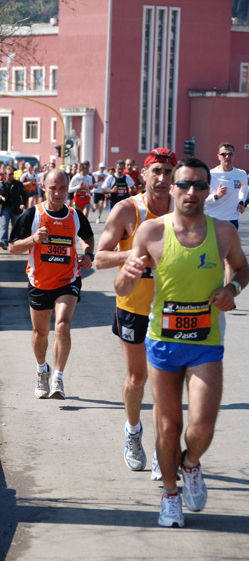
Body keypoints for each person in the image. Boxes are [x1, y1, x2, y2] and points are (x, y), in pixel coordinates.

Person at [114, 156, 249, 528]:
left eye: (200, 186)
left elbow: (242, 267)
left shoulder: (223, 232)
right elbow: (121, 287)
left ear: (209, 190)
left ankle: (190, 464)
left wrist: (232, 287)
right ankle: (170, 495)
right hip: (163, 342)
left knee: (202, 427)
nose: (192, 192)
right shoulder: (151, 232)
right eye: (185, 184)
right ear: (171, 188)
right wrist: (126, 275)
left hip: (205, 341)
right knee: (169, 427)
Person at [95, 148, 177, 477]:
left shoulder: (181, 211)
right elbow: (99, 257)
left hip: (172, 308)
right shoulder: (127, 210)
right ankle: (132, 432)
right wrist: (131, 257)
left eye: (167, 172)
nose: (161, 178)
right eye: (155, 171)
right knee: (138, 378)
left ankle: (164, 449)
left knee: (166, 382)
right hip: (132, 307)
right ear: (143, 175)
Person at [8, 169, 94, 400]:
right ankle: (41, 371)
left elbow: (88, 238)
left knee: (63, 326)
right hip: (39, 282)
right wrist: (33, 239)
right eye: (53, 188)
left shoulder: (75, 216)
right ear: (43, 187)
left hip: (68, 280)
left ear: (68, 189)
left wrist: (89, 255)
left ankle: (58, 378)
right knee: (41, 334)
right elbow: (12, 247)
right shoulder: (32, 215)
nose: (57, 193)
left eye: (62, 188)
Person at [205, 142, 248, 282]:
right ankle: (211, 291)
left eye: (230, 154)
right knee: (213, 259)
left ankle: (227, 297)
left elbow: (243, 191)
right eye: (223, 154)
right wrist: (216, 196)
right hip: (213, 220)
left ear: (234, 155)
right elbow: (203, 200)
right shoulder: (211, 175)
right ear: (218, 156)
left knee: (229, 259)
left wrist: (241, 203)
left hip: (231, 220)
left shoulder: (240, 174)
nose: (227, 157)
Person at [0, 166, 28, 250]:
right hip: (5, 207)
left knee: (15, 226)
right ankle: (4, 242)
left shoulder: (18, 184)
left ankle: (14, 242)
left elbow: (25, 194)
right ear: (5, 175)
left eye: (12, 174)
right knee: (4, 225)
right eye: (10, 174)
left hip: (16, 208)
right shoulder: (1, 184)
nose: (11, 175)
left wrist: (23, 204)